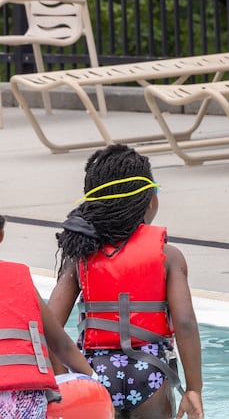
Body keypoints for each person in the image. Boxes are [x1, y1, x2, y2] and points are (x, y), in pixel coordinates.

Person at [47, 145, 204, 419]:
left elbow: (47, 326)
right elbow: (186, 323)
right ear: (149, 199)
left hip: (95, 373)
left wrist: (62, 380)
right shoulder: (168, 256)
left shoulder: (81, 255)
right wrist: (194, 389)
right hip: (151, 373)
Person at [0, 214, 98, 418]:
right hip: (25, 403)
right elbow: (61, 344)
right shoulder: (20, 281)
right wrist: (96, 382)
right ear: (1, 236)